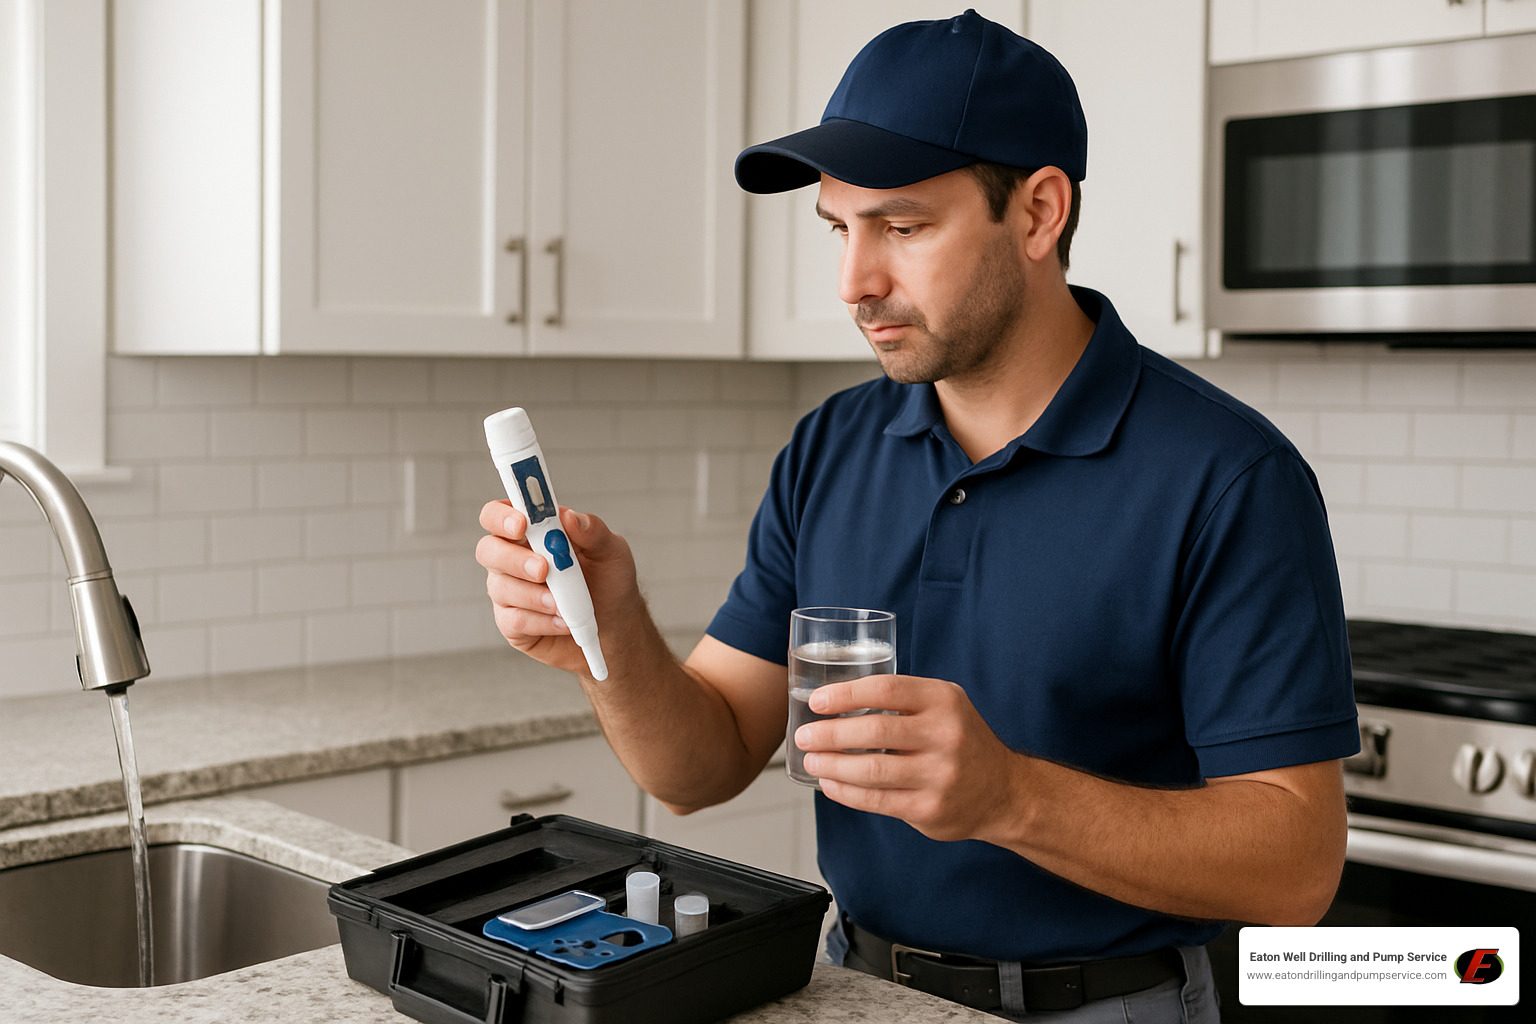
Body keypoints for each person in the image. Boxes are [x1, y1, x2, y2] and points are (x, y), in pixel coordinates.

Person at [477, 10, 1358, 1022]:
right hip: (854, 989)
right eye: (839, 229)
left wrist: (1010, 796)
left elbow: (1297, 866)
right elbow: (697, 766)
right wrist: (611, 636)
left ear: (1039, 213)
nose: (855, 281)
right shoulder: (830, 447)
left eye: (902, 227)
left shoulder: (1229, 475)